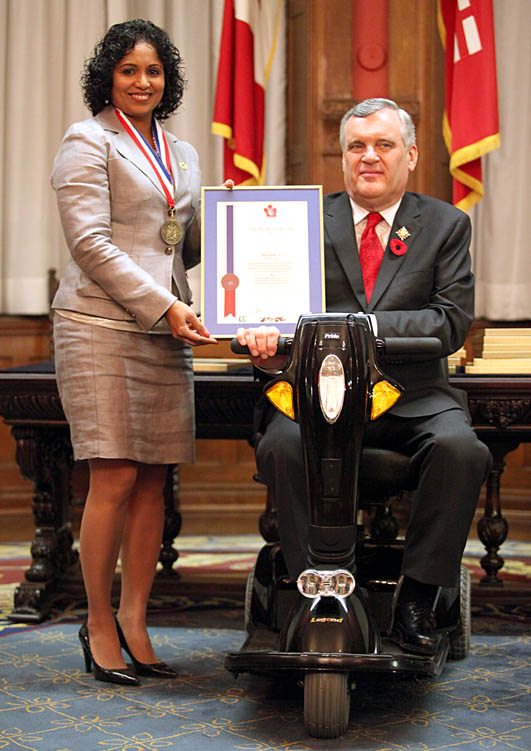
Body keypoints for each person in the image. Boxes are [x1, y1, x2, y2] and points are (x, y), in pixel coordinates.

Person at [236, 98, 491, 656]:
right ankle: (318, 589)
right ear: (343, 156)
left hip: (414, 397)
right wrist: (261, 339)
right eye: (356, 146)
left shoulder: (446, 224)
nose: (368, 157)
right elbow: (268, 310)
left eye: (383, 145)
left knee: (463, 451)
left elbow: (448, 323)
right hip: (317, 396)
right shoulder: (303, 222)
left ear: (411, 155)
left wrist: (355, 327)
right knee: (281, 445)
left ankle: (420, 597)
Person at [51, 19, 216, 685]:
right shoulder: (87, 142)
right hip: (102, 326)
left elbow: (187, 243)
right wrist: (165, 305)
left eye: (153, 71)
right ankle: (96, 623)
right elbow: (90, 244)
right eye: (129, 71)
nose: (143, 82)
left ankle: (136, 618)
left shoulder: (182, 152)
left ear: (167, 80)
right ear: (108, 79)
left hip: (164, 330)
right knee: (114, 474)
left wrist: (249, 226)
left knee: (154, 478)